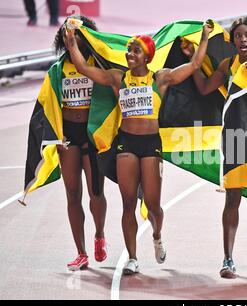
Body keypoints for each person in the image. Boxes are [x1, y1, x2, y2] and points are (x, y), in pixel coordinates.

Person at [64, 19, 214, 275]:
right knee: (128, 203)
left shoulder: (161, 78)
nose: (129, 54)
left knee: (154, 205)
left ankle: (156, 235)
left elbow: (195, 65)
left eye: (135, 50)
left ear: (147, 56)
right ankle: (132, 257)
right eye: (128, 50)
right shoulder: (117, 78)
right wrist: (71, 41)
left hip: (151, 145)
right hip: (127, 144)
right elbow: (82, 67)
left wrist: (205, 36)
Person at [183, 17, 247, 278]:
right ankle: (228, 259)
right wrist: (194, 59)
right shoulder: (228, 65)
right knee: (232, 198)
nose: (242, 40)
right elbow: (204, 88)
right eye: (237, 36)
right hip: (235, 137)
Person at [51, 16, 107, 271]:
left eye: (77, 32)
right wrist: (56, 134)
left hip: (92, 134)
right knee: (72, 195)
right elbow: (49, 106)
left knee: (96, 193)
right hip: (68, 137)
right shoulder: (57, 70)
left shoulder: (98, 64)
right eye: (68, 33)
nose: (72, 36)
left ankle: (99, 235)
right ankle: (81, 252)